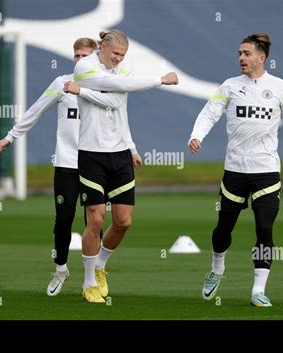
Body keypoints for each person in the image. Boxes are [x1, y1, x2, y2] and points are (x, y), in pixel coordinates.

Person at [0, 38, 142, 297]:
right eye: (75, 55)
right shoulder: (62, 84)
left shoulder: (105, 83)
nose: (79, 60)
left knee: (95, 220)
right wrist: (10, 136)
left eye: (84, 55)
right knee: (63, 219)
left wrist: (131, 148)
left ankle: (93, 277)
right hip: (67, 163)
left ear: (93, 56)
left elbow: (119, 121)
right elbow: (36, 110)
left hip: (96, 161)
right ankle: (61, 269)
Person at [188, 33, 283, 307]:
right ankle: (216, 268)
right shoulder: (230, 86)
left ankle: (258, 290)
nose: (241, 58)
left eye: (247, 53)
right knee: (223, 229)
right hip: (235, 172)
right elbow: (210, 112)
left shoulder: (281, 87)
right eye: (239, 53)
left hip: (267, 173)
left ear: (262, 58)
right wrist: (196, 135)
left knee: (264, 228)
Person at [65, 29, 179, 303]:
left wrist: (131, 147)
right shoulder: (84, 65)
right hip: (92, 154)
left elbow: (118, 99)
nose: (119, 59)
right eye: (115, 53)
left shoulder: (123, 69)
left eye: (123, 55)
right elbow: (117, 91)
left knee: (124, 221)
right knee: (95, 220)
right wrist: (160, 80)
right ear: (101, 47)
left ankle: (101, 264)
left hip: (119, 154)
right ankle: (89, 281)